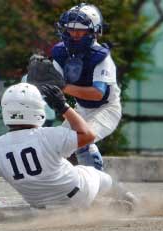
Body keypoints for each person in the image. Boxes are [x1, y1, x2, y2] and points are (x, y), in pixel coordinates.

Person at [0, 83, 137, 216]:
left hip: (40, 209)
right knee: (97, 175)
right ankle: (129, 198)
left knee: (69, 178)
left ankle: (96, 207)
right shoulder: (49, 135)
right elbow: (88, 136)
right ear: (37, 109)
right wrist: (63, 107)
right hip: (78, 195)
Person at [51, 3, 121, 171]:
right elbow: (51, 84)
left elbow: (97, 94)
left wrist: (62, 87)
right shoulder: (61, 53)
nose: (74, 34)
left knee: (81, 140)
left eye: (80, 30)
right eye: (70, 29)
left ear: (93, 31)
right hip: (81, 108)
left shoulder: (101, 57)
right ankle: (60, 185)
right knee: (56, 145)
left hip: (106, 109)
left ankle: (108, 188)